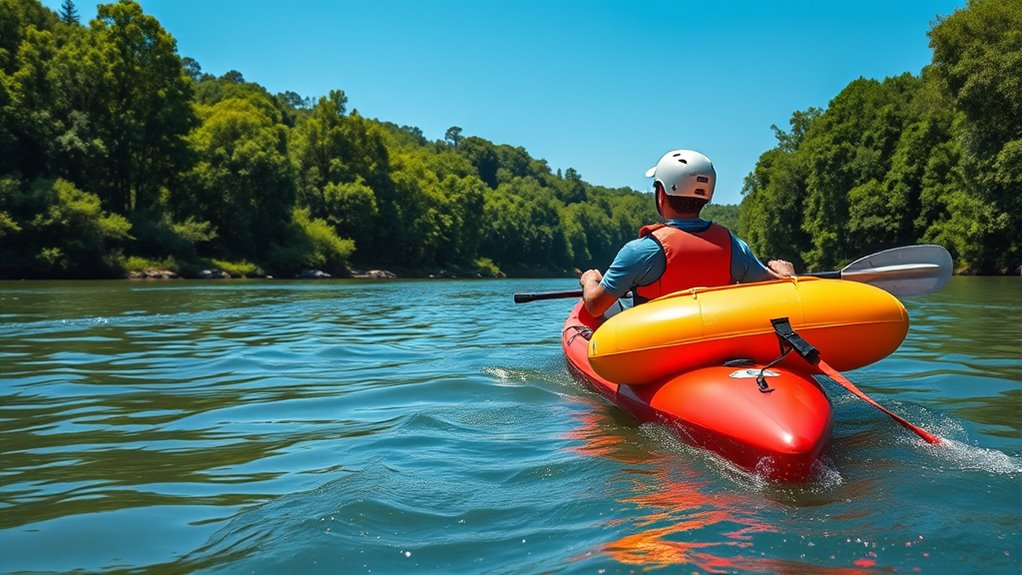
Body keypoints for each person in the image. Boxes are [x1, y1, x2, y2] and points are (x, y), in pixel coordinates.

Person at [579, 149, 795, 317]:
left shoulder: (639, 251)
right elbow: (780, 291)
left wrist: (590, 280)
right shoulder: (734, 246)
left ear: (661, 194)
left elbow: (595, 307)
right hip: (717, 345)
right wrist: (787, 275)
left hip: (655, 350)